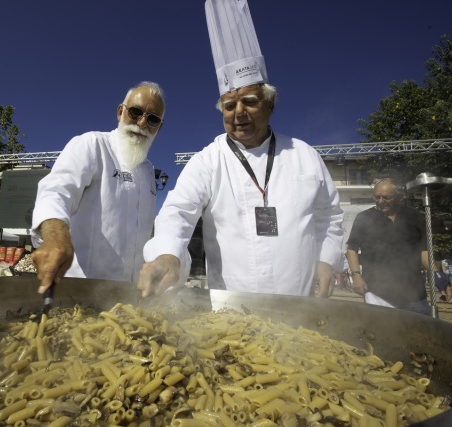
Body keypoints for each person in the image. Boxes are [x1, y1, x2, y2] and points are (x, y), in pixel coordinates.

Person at [137, 0, 344, 298]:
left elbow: (329, 217)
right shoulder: (207, 160)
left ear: (270, 105)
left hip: (301, 305)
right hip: (231, 313)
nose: (239, 113)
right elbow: (177, 213)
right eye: (230, 105)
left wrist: (326, 260)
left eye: (250, 101)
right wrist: (167, 255)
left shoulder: (304, 155)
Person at [30, 81, 166, 294]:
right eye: (135, 112)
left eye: (152, 119)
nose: (141, 123)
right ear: (121, 112)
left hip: (130, 297)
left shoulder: (149, 172)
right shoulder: (92, 145)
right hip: (81, 292)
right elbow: (56, 191)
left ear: (159, 127)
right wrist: (55, 235)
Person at [345, 178, 431, 315]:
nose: (380, 201)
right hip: (377, 292)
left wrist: (437, 275)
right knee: (383, 334)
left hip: (414, 292)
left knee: (420, 333)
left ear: (399, 197)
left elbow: (424, 251)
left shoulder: (415, 216)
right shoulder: (364, 218)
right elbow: (351, 249)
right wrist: (356, 275)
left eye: (387, 197)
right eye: (377, 197)